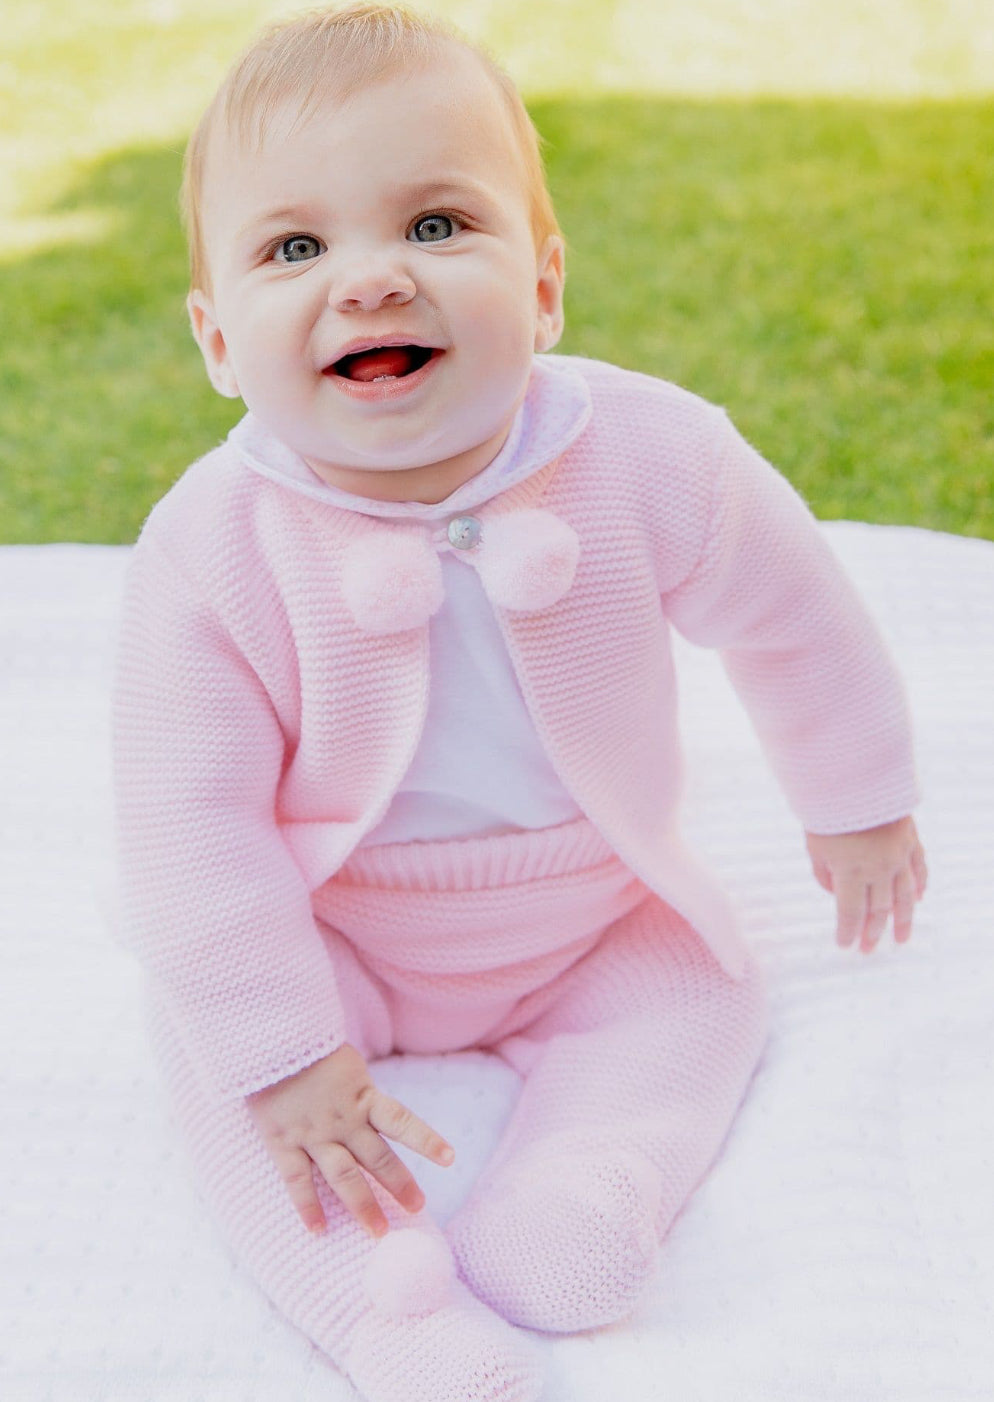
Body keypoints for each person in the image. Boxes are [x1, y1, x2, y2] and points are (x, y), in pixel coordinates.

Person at [111, 4, 928, 1400]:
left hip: (594, 903)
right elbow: (191, 827)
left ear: (544, 285)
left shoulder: (647, 454)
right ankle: (380, 1308)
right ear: (216, 341)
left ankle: (588, 1176)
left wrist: (856, 798)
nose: (370, 281)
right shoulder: (212, 549)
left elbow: (796, 615)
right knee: (233, 1071)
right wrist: (283, 1044)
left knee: (698, 994)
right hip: (338, 926)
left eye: (436, 224)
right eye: (294, 249)